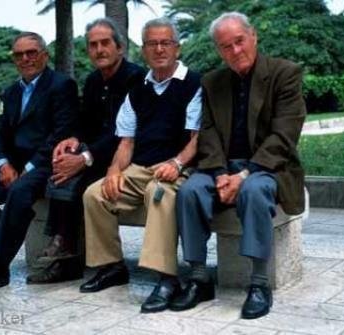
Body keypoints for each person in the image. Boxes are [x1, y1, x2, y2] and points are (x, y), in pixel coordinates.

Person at [171, 12, 306, 319]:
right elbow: (206, 132)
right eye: (225, 46)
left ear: (253, 36)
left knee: (254, 192)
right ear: (219, 50)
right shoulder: (212, 82)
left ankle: (259, 284)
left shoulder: (285, 73)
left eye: (239, 41)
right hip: (222, 167)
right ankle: (198, 277)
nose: (234, 51)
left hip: (269, 167)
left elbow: (284, 135)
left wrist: (244, 175)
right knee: (190, 190)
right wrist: (220, 175)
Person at [79, 18, 202, 314]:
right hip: (140, 168)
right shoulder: (138, 89)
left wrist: (176, 163)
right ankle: (111, 266)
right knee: (95, 194)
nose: (159, 49)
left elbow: (196, 139)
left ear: (177, 48)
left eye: (165, 43)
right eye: (152, 44)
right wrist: (113, 172)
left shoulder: (194, 84)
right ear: (144, 49)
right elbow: (126, 143)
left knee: (160, 195)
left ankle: (166, 279)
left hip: (178, 167)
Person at [0, 32, 79, 289]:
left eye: (31, 52)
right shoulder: (11, 92)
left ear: (44, 54)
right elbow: (0, 135)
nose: (26, 58)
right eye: (19, 54)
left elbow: (61, 133)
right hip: (15, 165)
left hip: (46, 164)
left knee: (20, 190)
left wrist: (28, 168)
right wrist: (3, 164)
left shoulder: (61, 85)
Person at [26, 18, 146, 284]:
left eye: (105, 43)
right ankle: (66, 254)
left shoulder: (135, 78)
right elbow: (85, 124)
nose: (99, 50)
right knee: (59, 171)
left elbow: (124, 134)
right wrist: (72, 141)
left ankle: (65, 244)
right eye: (93, 45)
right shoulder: (93, 81)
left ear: (120, 48)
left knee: (83, 184)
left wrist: (84, 158)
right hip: (97, 154)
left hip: (127, 157)